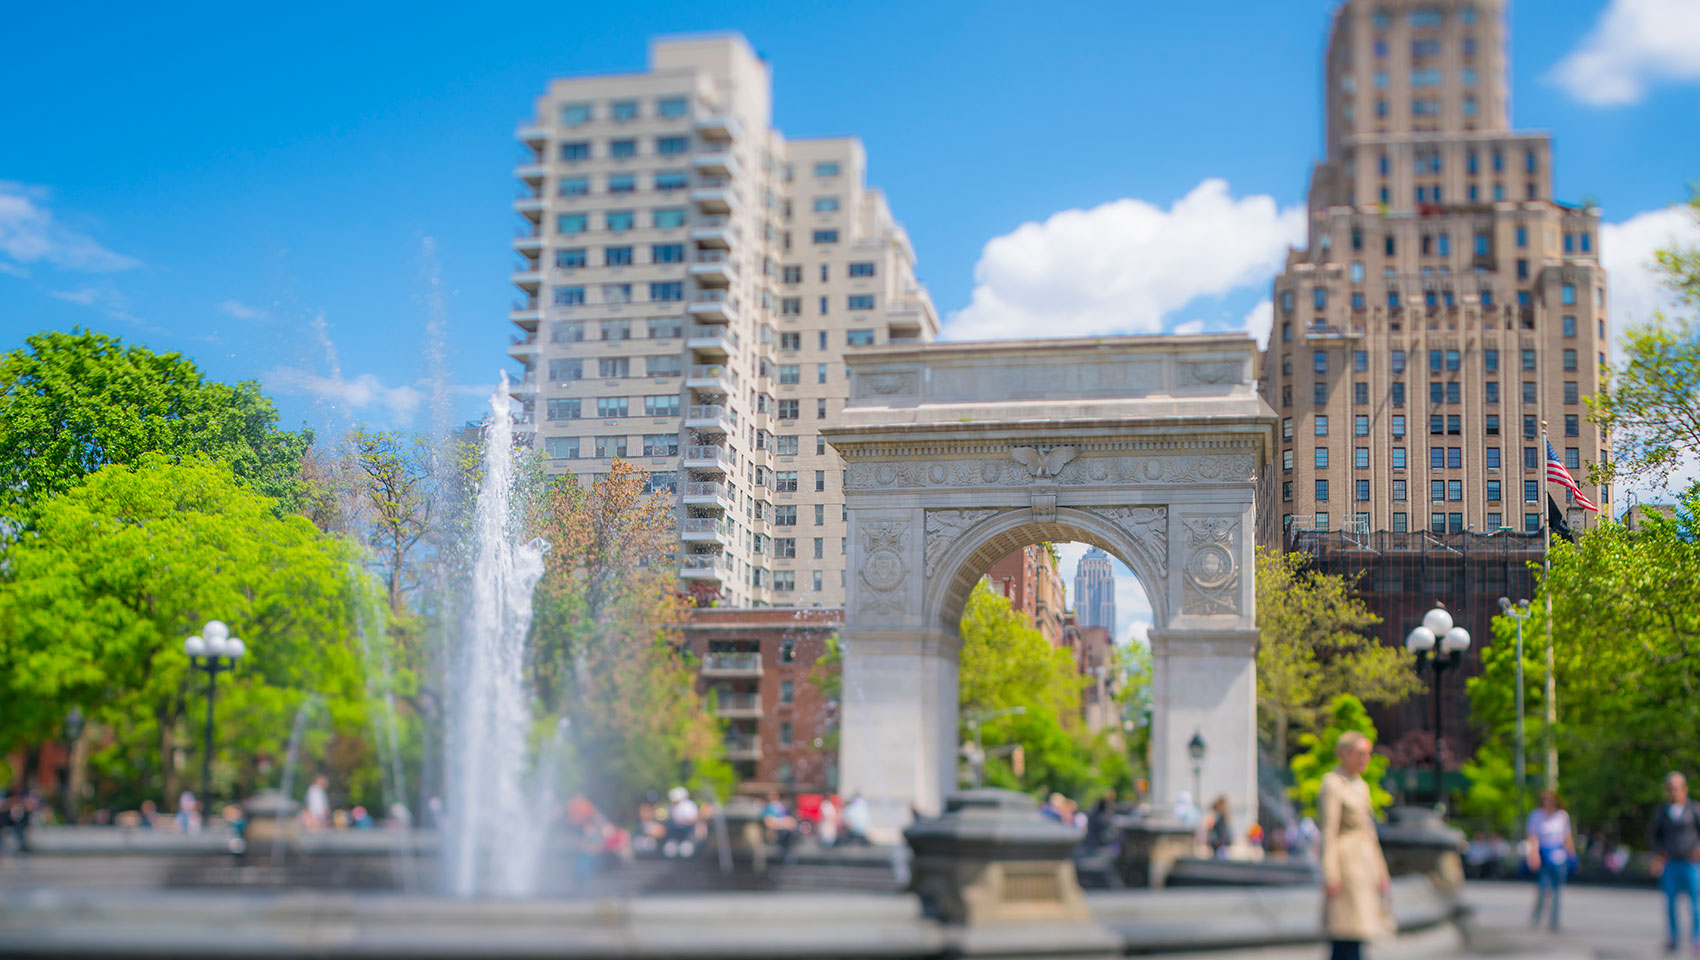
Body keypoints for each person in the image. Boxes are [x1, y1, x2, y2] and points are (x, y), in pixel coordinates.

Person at [1319, 731, 1394, 960]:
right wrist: (1330, 873)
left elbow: (1370, 833)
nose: (1366, 759)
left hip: (1364, 862)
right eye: (1360, 753)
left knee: (1359, 930)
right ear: (1344, 754)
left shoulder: (1361, 785)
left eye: (1368, 753)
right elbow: (1328, 831)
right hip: (1346, 863)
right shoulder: (1332, 784)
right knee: (1345, 931)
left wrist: (1381, 871)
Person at [1650, 771, 1700, 954]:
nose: (1674, 792)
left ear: (1684, 789)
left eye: (1677, 788)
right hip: (1671, 863)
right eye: (1671, 788)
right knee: (1670, 902)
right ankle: (1672, 938)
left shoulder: (1694, 809)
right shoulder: (1663, 812)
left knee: (1695, 903)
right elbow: (1655, 836)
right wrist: (1658, 855)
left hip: (1691, 863)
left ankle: (1697, 938)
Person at [1525, 790, 1575, 931]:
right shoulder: (1536, 815)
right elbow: (1533, 837)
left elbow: (1567, 837)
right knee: (1542, 887)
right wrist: (1533, 855)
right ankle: (1536, 918)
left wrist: (1572, 855)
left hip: (1559, 854)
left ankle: (1554, 921)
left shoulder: (1562, 816)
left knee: (1557, 889)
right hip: (1543, 853)